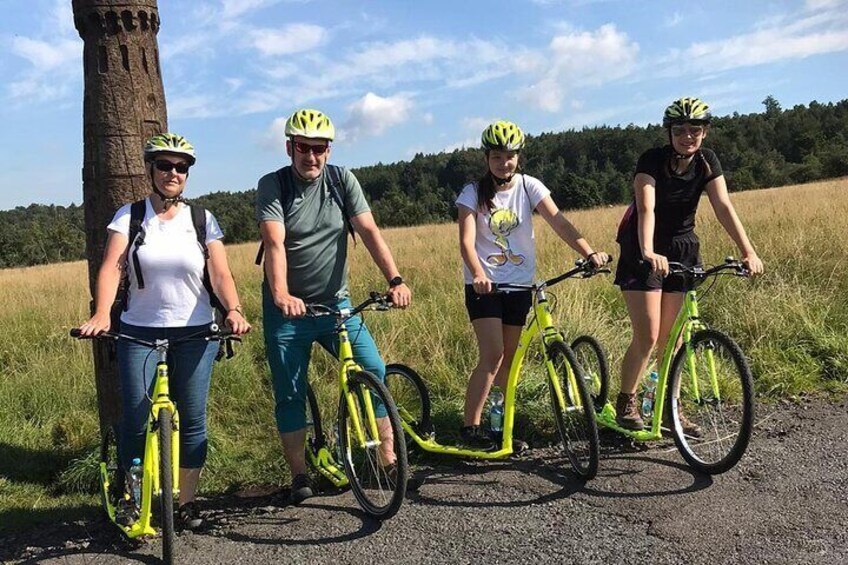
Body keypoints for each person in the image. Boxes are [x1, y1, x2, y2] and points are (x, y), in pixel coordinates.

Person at [77, 133, 251, 530]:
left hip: (195, 332)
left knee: (192, 419)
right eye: (164, 165)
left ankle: (187, 503)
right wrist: (103, 313)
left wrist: (234, 310)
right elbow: (112, 266)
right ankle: (133, 499)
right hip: (139, 329)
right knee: (136, 418)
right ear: (150, 170)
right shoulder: (130, 216)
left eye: (181, 167)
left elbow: (220, 272)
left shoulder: (202, 219)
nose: (173, 173)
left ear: (187, 174)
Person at [256, 108, 412, 505]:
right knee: (290, 393)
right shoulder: (273, 185)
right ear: (290, 147)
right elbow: (274, 243)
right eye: (304, 148)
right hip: (289, 311)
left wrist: (394, 279)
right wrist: (280, 294)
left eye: (320, 148)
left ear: (328, 150)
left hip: (336, 304)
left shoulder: (341, 181)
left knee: (373, 367)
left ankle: (387, 458)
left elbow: (369, 230)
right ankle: (299, 475)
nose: (312, 156)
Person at [613, 97, 764, 432]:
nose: (687, 136)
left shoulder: (707, 162)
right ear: (669, 132)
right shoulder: (652, 160)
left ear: (705, 132)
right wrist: (649, 251)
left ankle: (670, 408)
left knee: (675, 339)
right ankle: (627, 401)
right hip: (643, 246)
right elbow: (646, 208)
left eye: (695, 129)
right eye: (680, 129)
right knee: (649, 335)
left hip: (683, 247)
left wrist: (747, 251)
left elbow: (723, 205)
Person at [456, 120, 609, 449]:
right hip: (486, 287)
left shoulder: (529, 187)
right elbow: (466, 241)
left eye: (509, 156)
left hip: (520, 286)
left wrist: (589, 251)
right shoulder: (472, 192)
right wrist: (478, 273)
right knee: (493, 354)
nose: (504, 162)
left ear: (518, 157)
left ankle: (500, 425)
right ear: (487, 159)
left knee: (510, 359)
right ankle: (471, 427)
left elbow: (559, 222)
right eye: (497, 156)